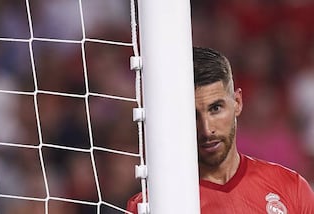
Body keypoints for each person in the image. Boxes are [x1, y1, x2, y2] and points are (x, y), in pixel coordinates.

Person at [127, 47, 314, 213]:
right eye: (192, 115)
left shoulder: (291, 188)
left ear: (237, 103)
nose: (207, 130)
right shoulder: (150, 205)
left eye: (215, 108)